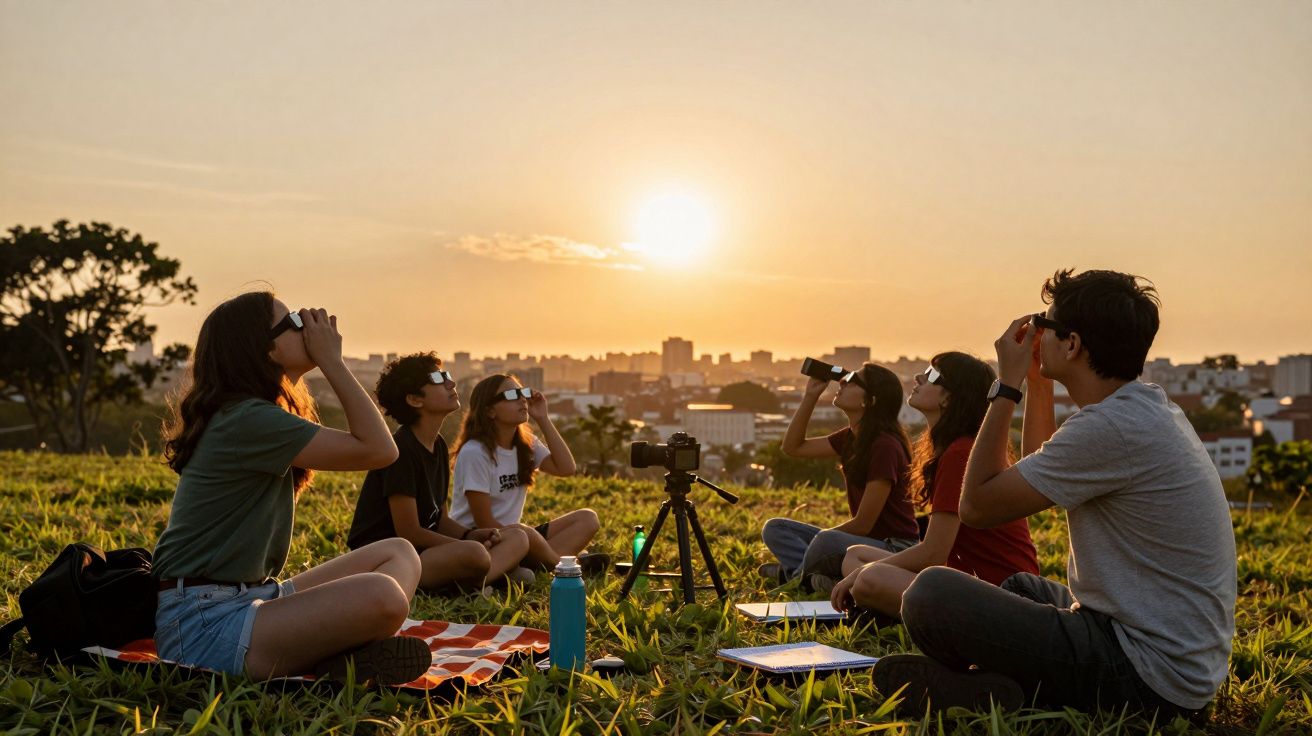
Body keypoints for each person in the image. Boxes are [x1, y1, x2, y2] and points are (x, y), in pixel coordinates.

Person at [874, 269, 1236, 722]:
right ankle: (999, 690)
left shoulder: (1110, 428)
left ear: (1072, 345)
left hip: (1147, 675)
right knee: (1020, 587)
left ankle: (1006, 691)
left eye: (1044, 326)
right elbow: (1034, 468)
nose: (1035, 336)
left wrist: (1005, 387)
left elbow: (978, 507)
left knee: (931, 593)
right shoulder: (1142, 410)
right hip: (1161, 653)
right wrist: (1039, 383)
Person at [153, 293, 432, 686]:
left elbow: (379, 449)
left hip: (251, 597)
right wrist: (333, 361)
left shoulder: (256, 412)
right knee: (383, 595)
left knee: (398, 552)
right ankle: (339, 654)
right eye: (296, 322)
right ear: (265, 348)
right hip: (204, 625)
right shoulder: (245, 418)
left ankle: (338, 656)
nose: (310, 327)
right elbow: (381, 450)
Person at [828, 352, 1039, 619]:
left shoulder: (961, 453)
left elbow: (934, 552)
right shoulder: (951, 449)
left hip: (1002, 596)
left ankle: (889, 609)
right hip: (971, 582)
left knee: (870, 577)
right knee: (855, 555)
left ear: (949, 398)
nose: (918, 377)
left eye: (932, 376)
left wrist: (864, 574)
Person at [347, 353, 532, 591]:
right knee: (478, 555)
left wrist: (469, 536)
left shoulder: (438, 444)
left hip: (423, 554)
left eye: (447, 375)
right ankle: (479, 581)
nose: (451, 383)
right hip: (387, 560)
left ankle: (478, 579)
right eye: (438, 378)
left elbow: (440, 519)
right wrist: (465, 546)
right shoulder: (401, 450)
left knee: (517, 537)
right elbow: (409, 531)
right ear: (414, 399)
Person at [759, 362, 919, 590]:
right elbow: (793, 447)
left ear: (869, 401)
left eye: (854, 379)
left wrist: (821, 543)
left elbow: (864, 524)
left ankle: (797, 580)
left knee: (826, 540)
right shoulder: (851, 438)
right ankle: (813, 577)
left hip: (892, 548)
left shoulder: (885, 446)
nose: (843, 381)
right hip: (859, 545)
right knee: (776, 529)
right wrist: (810, 396)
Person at [448, 374, 608, 574]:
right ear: (489, 411)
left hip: (519, 538)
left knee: (587, 519)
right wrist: (524, 538)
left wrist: (543, 418)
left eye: (522, 392)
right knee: (523, 534)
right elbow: (484, 522)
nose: (522, 399)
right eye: (512, 394)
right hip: (483, 541)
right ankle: (564, 566)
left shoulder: (526, 444)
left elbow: (566, 469)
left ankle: (537, 564)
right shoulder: (475, 452)